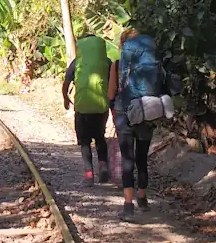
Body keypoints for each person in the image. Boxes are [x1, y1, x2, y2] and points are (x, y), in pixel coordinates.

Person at [108, 28, 161, 222]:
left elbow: (111, 94)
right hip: (147, 111)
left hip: (125, 114)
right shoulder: (151, 62)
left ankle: (128, 206)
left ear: (123, 46)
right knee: (142, 158)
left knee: (128, 160)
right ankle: (143, 198)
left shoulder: (117, 65)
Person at [62, 33, 110, 187]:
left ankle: (89, 175)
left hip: (82, 107)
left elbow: (66, 82)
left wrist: (65, 98)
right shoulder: (106, 62)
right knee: (100, 137)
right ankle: (103, 164)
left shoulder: (77, 63)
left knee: (84, 142)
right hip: (101, 106)